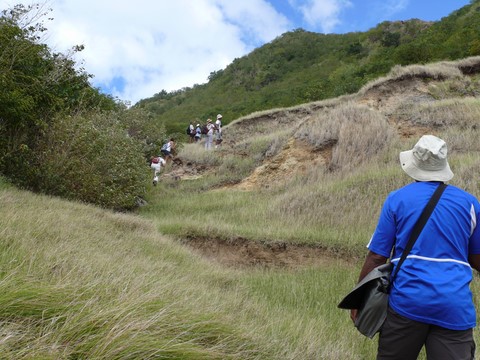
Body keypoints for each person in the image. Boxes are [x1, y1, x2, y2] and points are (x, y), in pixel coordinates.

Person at [351, 135, 480, 360]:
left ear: (414, 165)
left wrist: (358, 299)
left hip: (407, 304)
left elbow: (376, 257)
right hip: (454, 306)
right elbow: (477, 259)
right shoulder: (470, 204)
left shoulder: (397, 200)